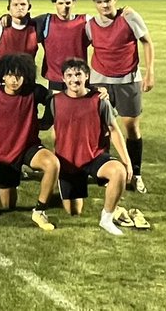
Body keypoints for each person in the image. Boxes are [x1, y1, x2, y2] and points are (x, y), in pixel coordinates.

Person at [0, 53, 59, 231]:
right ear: (3, 76)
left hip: (29, 147)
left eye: (19, 76)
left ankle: (40, 211)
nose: (14, 80)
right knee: (8, 206)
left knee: (52, 164)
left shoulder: (34, 91)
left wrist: (47, 121)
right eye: (10, 75)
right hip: (4, 154)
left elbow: (53, 99)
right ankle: (3, 186)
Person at [52, 58, 134, 236]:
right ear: (63, 79)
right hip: (68, 161)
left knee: (118, 171)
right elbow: (51, 127)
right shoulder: (55, 101)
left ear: (87, 76)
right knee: (74, 212)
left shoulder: (99, 100)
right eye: (70, 75)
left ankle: (107, 218)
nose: (74, 79)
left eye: (79, 74)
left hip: (94, 156)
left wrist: (127, 162)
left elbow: (114, 130)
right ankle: (111, 203)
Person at [87, 0, 155, 194]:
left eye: (107, 0)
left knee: (132, 128)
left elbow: (147, 42)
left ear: (115, 0)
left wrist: (150, 72)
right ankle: (107, 173)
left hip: (128, 80)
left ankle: (135, 173)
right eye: (100, 2)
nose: (104, 5)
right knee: (103, 129)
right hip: (100, 80)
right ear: (95, 5)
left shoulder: (129, 17)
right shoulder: (90, 24)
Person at [31, 0, 90, 92]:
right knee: (57, 106)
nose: (64, 7)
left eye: (67, 3)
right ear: (55, 4)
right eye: (60, 3)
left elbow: (105, 26)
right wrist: (4, 18)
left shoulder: (85, 21)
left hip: (78, 75)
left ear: (73, 3)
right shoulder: (45, 21)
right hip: (55, 77)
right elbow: (21, 24)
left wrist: (121, 12)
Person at [0, 0, 38, 82]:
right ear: (9, 8)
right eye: (15, 5)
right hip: (3, 79)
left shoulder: (36, 27)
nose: (19, 8)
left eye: (23, 4)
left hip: (27, 78)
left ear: (29, 7)